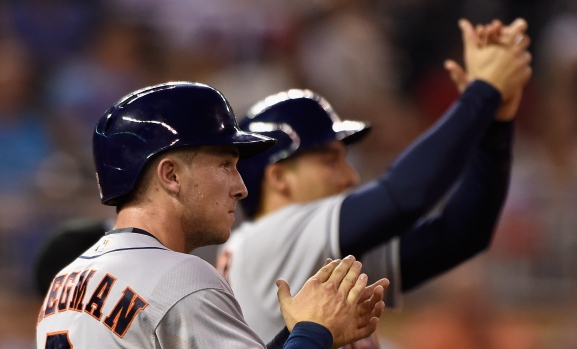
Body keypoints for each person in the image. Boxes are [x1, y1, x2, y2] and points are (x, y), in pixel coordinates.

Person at [216, 18, 533, 346]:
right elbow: (406, 195)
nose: (350, 176)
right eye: (329, 160)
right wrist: (482, 93)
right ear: (278, 177)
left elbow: (460, 234)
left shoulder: (298, 252)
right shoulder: (269, 238)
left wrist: (496, 122)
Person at [36, 81, 388, 349]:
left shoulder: (64, 282)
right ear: (170, 175)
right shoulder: (179, 279)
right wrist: (315, 330)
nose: (241, 187)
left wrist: (295, 334)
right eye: (225, 165)